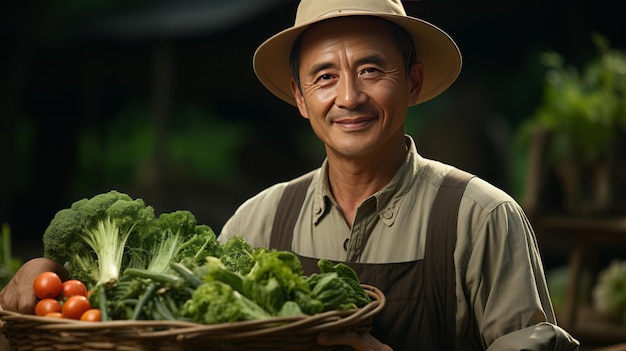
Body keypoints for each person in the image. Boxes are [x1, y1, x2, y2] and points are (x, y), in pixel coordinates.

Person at [0, 0, 580, 350]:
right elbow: (162, 304)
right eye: (325, 77)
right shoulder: (257, 221)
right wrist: (51, 268)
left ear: (415, 81)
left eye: (371, 69)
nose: (349, 96)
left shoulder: (481, 216)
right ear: (301, 99)